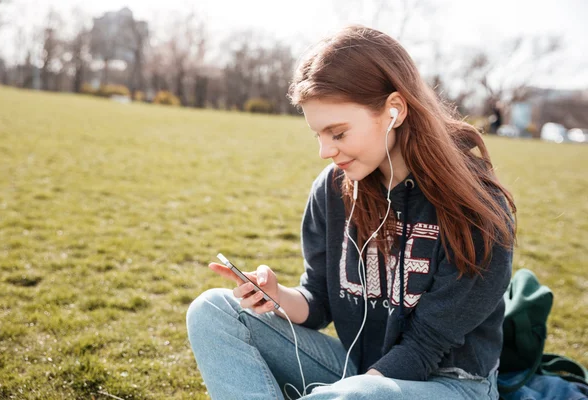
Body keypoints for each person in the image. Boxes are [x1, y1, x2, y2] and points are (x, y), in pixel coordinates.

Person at [186, 25, 516, 400]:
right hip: (357, 369)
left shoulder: (476, 209)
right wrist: (278, 296)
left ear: (394, 110)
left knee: (357, 397)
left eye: (338, 133)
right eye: (319, 135)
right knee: (212, 310)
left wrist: (351, 389)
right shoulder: (333, 187)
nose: (325, 152)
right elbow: (319, 301)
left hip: (451, 383)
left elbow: (425, 347)